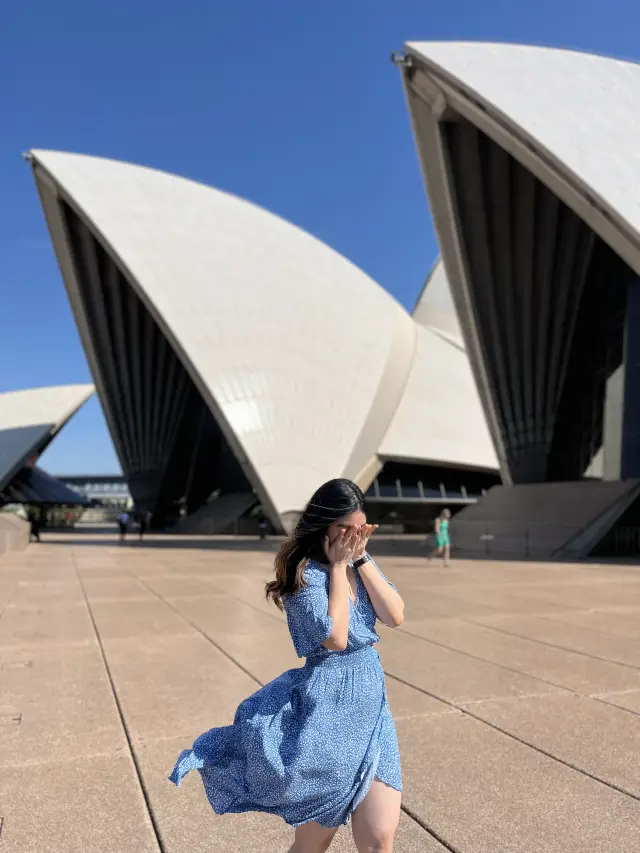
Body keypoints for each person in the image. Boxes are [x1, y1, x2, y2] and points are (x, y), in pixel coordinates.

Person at [170, 478, 405, 853]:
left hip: (370, 706)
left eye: (358, 529)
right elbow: (337, 637)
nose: (351, 536)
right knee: (312, 845)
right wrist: (341, 567)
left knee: (379, 838)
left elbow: (395, 615)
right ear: (324, 524)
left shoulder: (360, 562)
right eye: (344, 529)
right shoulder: (304, 576)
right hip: (327, 714)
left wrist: (359, 559)